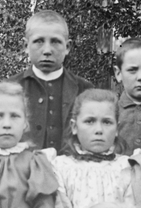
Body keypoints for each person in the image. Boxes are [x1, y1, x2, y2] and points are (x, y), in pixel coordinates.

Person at [15, 10, 93, 152]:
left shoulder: (85, 90)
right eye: (39, 41)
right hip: (24, 170)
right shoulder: (11, 87)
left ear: (67, 47)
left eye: (55, 42)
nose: (47, 50)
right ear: (26, 46)